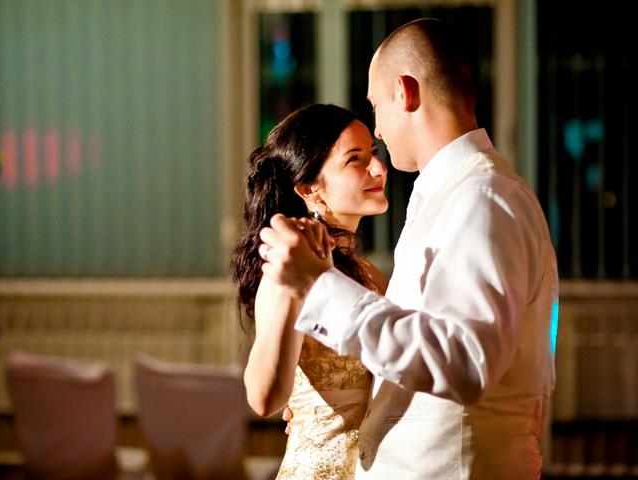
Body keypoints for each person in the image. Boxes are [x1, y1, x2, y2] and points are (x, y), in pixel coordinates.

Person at [258, 18, 558, 479]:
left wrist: (321, 288)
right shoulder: (447, 198)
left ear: (405, 92)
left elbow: (468, 361)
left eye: (376, 106)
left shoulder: (482, 198)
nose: (378, 130)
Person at [230, 103, 390, 479]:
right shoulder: (289, 270)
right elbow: (263, 398)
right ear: (309, 188)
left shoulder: (370, 274)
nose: (379, 169)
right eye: (355, 159)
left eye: (373, 154)